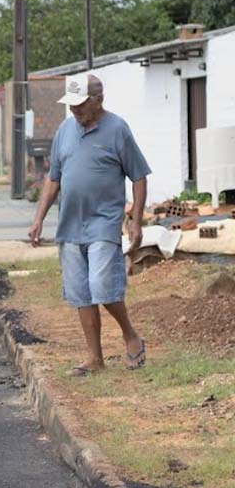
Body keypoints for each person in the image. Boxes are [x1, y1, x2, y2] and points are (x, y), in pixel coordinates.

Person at [27, 73, 151, 376]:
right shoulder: (64, 131)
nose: (75, 111)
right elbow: (53, 177)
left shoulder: (117, 129)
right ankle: (94, 357)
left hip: (104, 222)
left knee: (102, 287)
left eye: (80, 105)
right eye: (71, 106)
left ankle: (130, 334)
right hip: (70, 225)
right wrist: (39, 218)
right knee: (81, 292)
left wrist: (135, 221)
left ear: (99, 100)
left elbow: (138, 176)